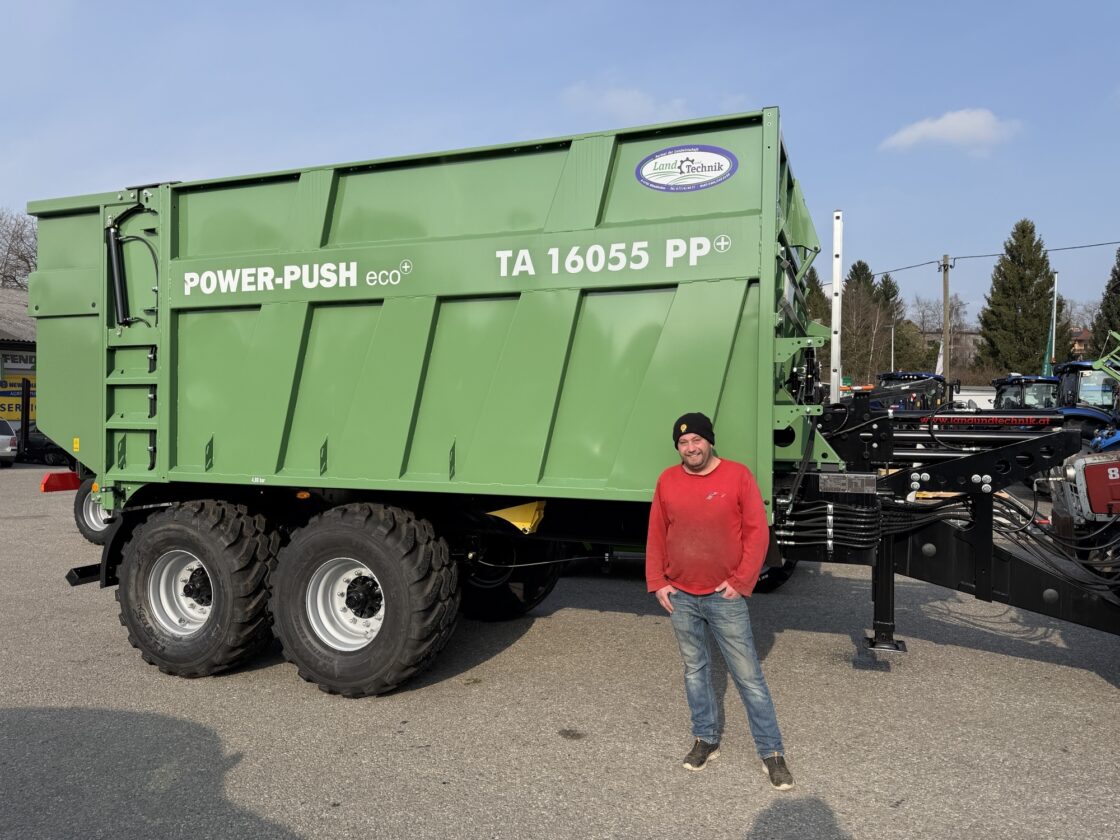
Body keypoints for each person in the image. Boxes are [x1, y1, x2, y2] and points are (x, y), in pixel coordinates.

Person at [646, 411, 794, 790]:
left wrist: (741, 582)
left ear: (709, 441)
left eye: (696, 440)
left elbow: (757, 533)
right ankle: (706, 739)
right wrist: (657, 581)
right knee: (695, 671)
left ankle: (771, 752)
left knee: (748, 677)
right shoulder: (667, 480)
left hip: (723, 596)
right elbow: (657, 532)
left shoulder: (737, 476)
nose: (690, 448)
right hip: (681, 595)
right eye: (683, 442)